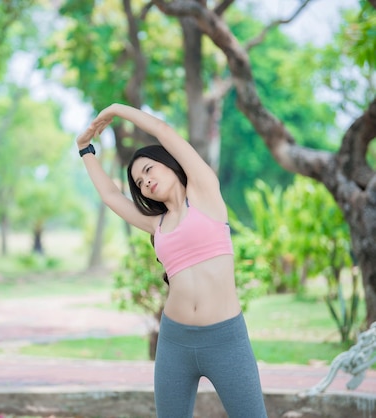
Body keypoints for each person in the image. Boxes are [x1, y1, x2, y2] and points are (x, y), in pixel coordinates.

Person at [76, 103, 267, 418]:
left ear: (168, 163)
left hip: (226, 339)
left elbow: (163, 131)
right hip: (175, 342)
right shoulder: (156, 224)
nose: (145, 182)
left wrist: (118, 109)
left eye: (148, 170)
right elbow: (111, 195)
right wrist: (85, 149)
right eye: (139, 182)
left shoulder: (205, 194)